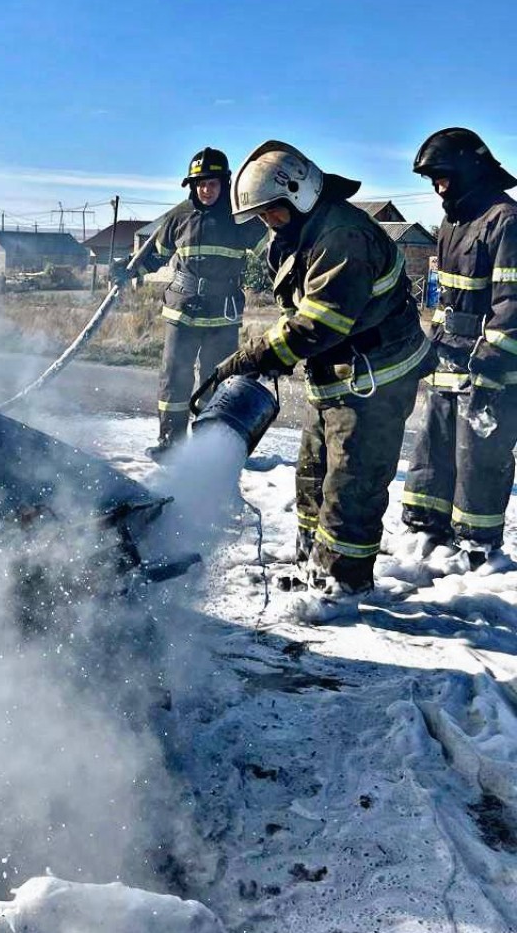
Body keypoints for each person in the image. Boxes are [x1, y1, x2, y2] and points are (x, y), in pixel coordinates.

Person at [209, 140, 430, 598]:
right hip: (335, 375)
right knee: (312, 478)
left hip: (375, 379)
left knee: (352, 486)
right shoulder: (299, 235)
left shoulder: (342, 236)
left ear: (300, 192)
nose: (268, 222)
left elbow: (319, 323)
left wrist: (254, 356)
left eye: (273, 211)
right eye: (263, 215)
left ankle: (342, 586)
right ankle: (312, 563)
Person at [401, 127, 517, 563]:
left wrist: (490, 362)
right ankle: (426, 537)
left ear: (469, 171)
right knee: (433, 449)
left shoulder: (505, 220)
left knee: (479, 459)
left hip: (492, 368)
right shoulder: (454, 221)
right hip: (447, 355)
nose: (437, 187)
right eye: (433, 179)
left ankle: (478, 550)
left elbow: (513, 303)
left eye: (443, 176)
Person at [115, 148, 259, 457]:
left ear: (225, 183)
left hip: (223, 314)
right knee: (174, 378)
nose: (206, 190)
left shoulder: (242, 219)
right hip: (182, 312)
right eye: (200, 184)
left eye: (213, 184)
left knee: (217, 381)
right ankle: (170, 444)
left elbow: (273, 251)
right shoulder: (178, 216)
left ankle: (209, 448)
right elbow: (154, 254)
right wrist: (128, 269)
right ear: (192, 186)